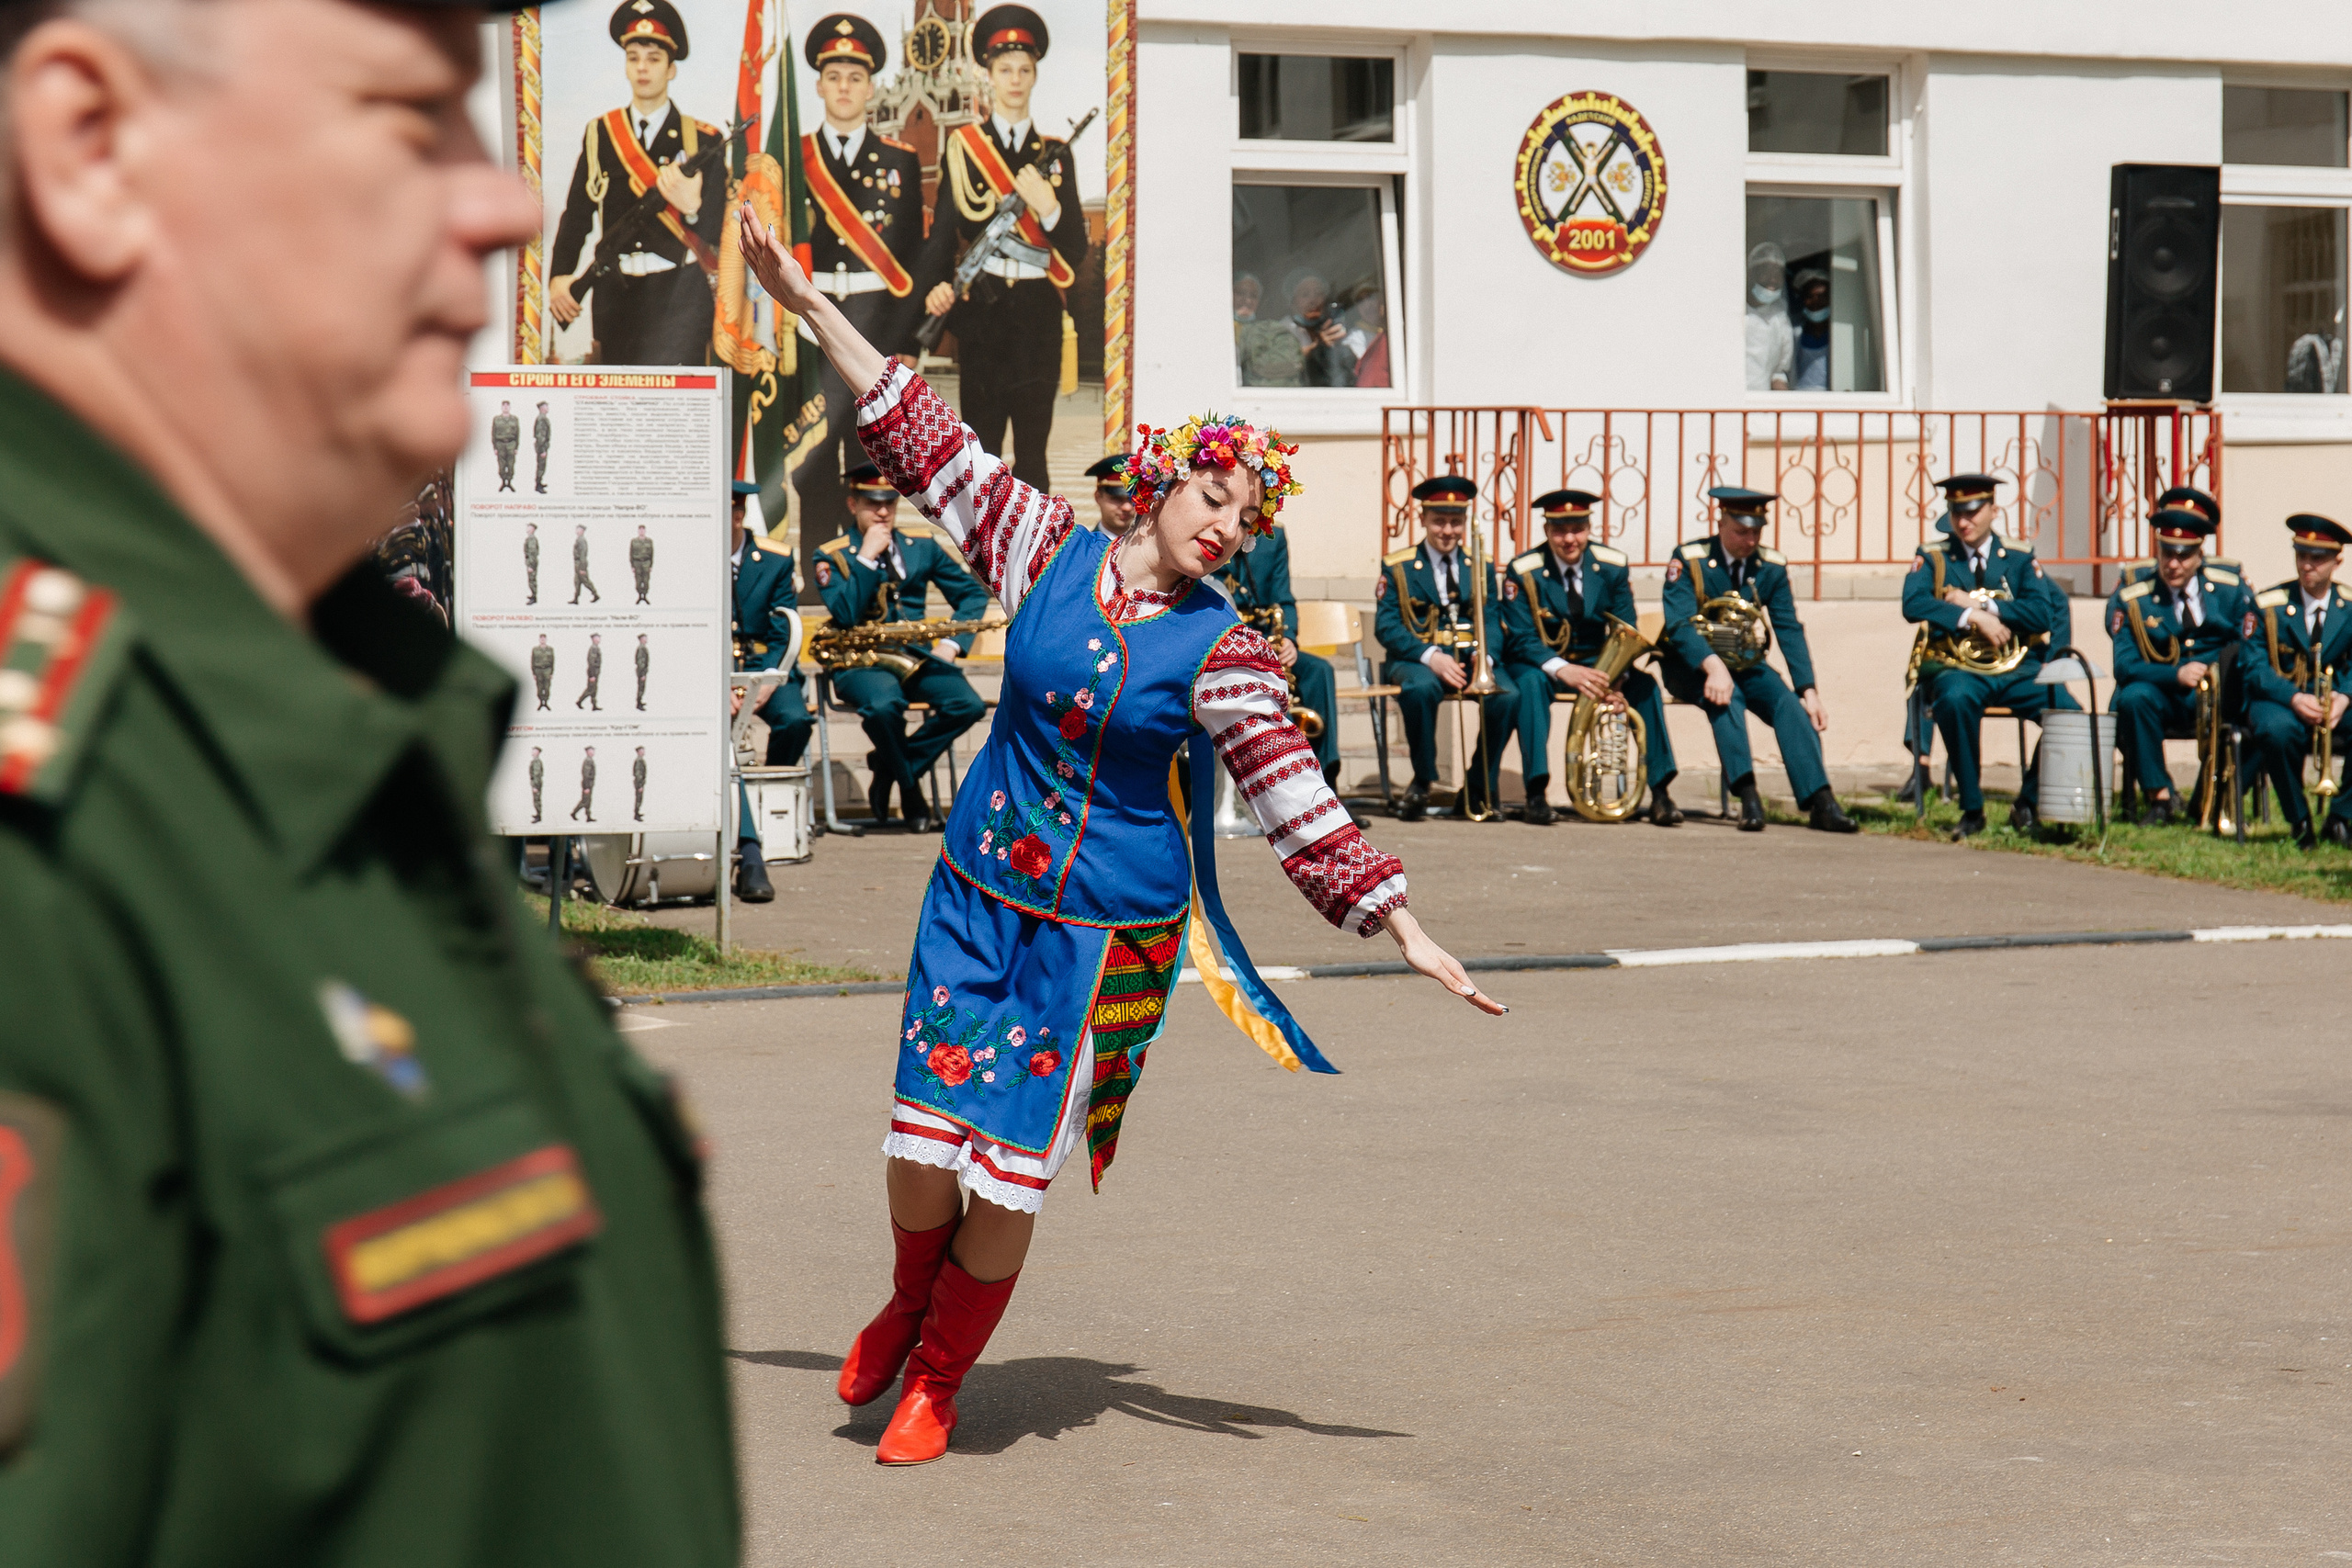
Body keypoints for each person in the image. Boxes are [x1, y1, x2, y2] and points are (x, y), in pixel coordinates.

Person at [0, 2, 738, 1559]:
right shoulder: (50, 842)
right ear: (91, 150)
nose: (504, 202)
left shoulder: (323, 709)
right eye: (413, 118)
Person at [736, 203, 1502, 1467]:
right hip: (978, 891)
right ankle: (904, 1291)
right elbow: (923, 432)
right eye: (1215, 494)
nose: (1226, 525)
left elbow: (1292, 791)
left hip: (1102, 936)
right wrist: (805, 301)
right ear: (1161, 479)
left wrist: (1402, 922)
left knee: (1006, 1168)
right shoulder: (1038, 544)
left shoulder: (1229, 648)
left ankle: (938, 1373)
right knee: (922, 1136)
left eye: (1247, 519)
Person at [919, 5, 1091, 491]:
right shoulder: (964, 146)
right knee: (983, 453)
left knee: (1034, 453)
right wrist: (933, 290)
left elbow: (1075, 248)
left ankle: (1038, 565)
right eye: (1004, 69)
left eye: (1024, 69)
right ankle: (987, 566)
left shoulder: (1056, 151)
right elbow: (944, 233)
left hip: (1038, 314)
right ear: (987, 75)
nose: (1014, 79)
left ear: (1034, 75)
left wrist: (1050, 206)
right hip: (984, 315)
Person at [792, 13, 928, 562]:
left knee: (871, 460)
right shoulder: (790, 157)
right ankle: (816, 580)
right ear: (820, 85)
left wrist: (905, 341)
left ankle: (871, 578)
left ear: (871, 86)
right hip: (809, 327)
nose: (844, 88)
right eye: (834, 77)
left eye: (855, 77)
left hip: (875, 324)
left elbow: (911, 264)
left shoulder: (901, 160)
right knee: (814, 462)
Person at [1657, 487, 1857, 834]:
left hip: (1744, 663)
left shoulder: (1770, 566)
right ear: (1721, 522)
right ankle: (1748, 795)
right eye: (1741, 532)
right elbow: (1679, 625)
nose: (1750, 540)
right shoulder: (1690, 559)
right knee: (1727, 696)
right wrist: (1713, 666)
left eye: (1756, 532)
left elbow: (1788, 628)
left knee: (1788, 704)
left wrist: (1808, 688)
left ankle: (1820, 800)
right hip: (1691, 665)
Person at [547, 0, 724, 366]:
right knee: (617, 406)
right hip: (615, 291)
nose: (643, 67)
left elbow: (722, 229)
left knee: (680, 409)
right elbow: (578, 215)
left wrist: (693, 211)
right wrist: (560, 276)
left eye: (654, 58)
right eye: (634, 57)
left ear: (672, 68)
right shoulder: (602, 134)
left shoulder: (703, 141)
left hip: (679, 291)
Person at [815, 462, 990, 832]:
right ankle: (911, 790)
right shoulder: (831, 555)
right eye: (871, 503)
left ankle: (892, 766)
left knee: (967, 705)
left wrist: (952, 645)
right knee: (883, 706)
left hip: (914, 657)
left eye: (889, 503)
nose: (882, 511)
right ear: (852, 506)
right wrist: (865, 556)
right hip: (858, 661)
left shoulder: (921, 548)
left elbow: (972, 593)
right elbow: (845, 614)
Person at [1899, 476, 2076, 835]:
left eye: (1973, 512)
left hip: (2018, 668)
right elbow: (1913, 603)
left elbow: (2042, 613)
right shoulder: (1933, 556)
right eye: (1956, 513)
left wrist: (1985, 604)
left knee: (2069, 714)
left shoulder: (2019, 556)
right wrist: (1972, 618)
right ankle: (1972, 807)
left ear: (1993, 511)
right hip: (1959, 668)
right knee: (1954, 700)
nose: (1963, 521)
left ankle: (2027, 802)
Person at [1499, 489, 1680, 827]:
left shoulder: (1611, 566)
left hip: (1602, 666)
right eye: (1559, 530)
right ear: (1546, 530)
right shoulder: (1524, 570)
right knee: (1529, 685)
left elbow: (1627, 628)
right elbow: (1521, 637)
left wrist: (1617, 679)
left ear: (1589, 528)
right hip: (1547, 665)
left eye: (1578, 529)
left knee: (1646, 687)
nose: (1569, 539)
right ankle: (1536, 794)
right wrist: (1564, 670)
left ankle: (1661, 793)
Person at [1374, 476, 1518, 821]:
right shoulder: (1398, 565)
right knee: (1420, 688)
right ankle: (1423, 780)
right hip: (1417, 659)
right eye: (1439, 521)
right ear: (1423, 520)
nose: (1448, 530)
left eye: (1456, 522)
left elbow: (1493, 617)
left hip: (1469, 659)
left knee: (1508, 695)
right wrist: (1431, 657)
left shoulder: (1479, 565)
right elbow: (1387, 626)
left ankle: (1479, 784)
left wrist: (1487, 658)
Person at [2105, 508, 2252, 823]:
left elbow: (2250, 644)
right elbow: (2124, 664)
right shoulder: (2135, 599)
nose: (2173, 564)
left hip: (2215, 693)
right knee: (2133, 698)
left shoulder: (2228, 590)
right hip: (2165, 694)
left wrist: (2214, 669)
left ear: (2200, 555)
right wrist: (2176, 674)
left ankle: (2210, 800)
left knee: (2255, 705)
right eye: (2167, 553)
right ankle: (2160, 798)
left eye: (2183, 556)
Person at [2243, 514, 2352, 848]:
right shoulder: (2267, 605)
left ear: (2337, 561)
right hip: (2280, 702)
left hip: (2332, 702)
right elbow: (2253, 665)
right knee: (2276, 731)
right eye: (2301, 556)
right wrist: (2292, 697)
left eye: (2317, 559)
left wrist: (2345, 697)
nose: (2307, 566)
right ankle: (2299, 819)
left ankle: (2340, 817)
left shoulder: (2349, 606)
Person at [1211, 516, 1342, 794]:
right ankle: (1283, 782)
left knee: (1320, 671)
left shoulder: (1274, 537)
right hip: (1223, 643)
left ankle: (1326, 782)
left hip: (1267, 641)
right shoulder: (1211, 531)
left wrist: (1289, 639)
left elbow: (1284, 599)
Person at [730, 479, 801, 904]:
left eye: (739, 509)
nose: (733, 516)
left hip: (764, 669)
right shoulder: (691, 555)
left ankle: (770, 802)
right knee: (720, 741)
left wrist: (765, 685)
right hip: (716, 672)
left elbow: (782, 626)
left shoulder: (774, 558)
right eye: (727, 508)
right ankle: (749, 845)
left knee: (795, 719)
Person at [1283, 272, 1356, 388]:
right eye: (1305, 294)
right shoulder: (1283, 330)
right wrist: (1317, 348)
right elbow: (1282, 365)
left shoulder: (1332, 325)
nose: (1313, 300)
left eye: (1318, 294)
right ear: (1292, 302)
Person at [1744, 242, 1793, 392]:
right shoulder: (1737, 311)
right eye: (1767, 272)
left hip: (1761, 407)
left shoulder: (1780, 319)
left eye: (1778, 273)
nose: (1773, 279)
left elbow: (1778, 374)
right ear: (1752, 273)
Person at [1789, 268, 1831, 392]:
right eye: (1810, 296)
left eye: (1821, 296)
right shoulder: (1795, 334)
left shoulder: (1840, 334)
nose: (1816, 302)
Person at [1086, 453, 1136, 536]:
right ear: (1098, 497)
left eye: (1133, 499)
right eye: (1117, 499)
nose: (1127, 507)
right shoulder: (1085, 548)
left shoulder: (1151, 547)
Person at [492, 398, 520, 489]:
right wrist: (495, 447)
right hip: (500, 444)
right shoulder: (497, 419)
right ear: (501, 407)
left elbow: (518, 434)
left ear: (510, 407)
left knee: (511, 464)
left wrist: (516, 447)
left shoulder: (514, 419)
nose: (505, 408)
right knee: (501, 465)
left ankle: (510, 481)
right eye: (504, 406)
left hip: (511, 444)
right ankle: (503, 482)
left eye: (507, 406)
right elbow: (493, 433)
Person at [571, 522, 600, 603]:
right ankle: (576, 599)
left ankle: (596, 595)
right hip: (577, 563)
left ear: (582, 531)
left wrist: (582, 568)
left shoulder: (582, 540)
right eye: (577, 529)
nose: (577, 531)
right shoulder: (578, 539)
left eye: (579, 529)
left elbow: (583, 554)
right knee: (577, 582)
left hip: (580, 563)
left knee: (585, 581)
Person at [577, 631, 604, 710]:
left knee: (594, 689)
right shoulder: (593, 648)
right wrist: (592, 675)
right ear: (594, 639)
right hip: (593, 672)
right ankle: (579, 701)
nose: (599, 639)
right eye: (597, 638)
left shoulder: (596, 647)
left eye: (599, 638)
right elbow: (591, 662)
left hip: (596, 672)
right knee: (590, 689)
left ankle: (594, 705)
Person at [531, 630, 557, 709]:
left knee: (547, 687)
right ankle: (540, 702)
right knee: (539, 687)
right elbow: (532, 661)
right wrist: (534, 673)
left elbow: (553, 661)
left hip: (547, 670)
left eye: (544, 639)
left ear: (546, 640)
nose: (542, 640)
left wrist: (551, 672)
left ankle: (545, 702)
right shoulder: (535, 649)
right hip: (538, 670)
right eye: (541, 639)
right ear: (539, 640)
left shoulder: (550, 649)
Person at [630, 522, 654, 602]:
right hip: (637, 563)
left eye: (643, 530)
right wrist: (632, 566)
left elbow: (652, 554)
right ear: (638, 531)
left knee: (646, 581)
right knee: (638, 581)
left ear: (645, 531)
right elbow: (631, 554)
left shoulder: (649, 541)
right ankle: (640, 595)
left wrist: (651, 565)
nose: (641, 531)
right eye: (640, 530)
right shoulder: (634, 541)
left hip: (646, 563)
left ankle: (645, 595)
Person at [573, 746, 599, 821]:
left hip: (589, 785)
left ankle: (588, 817)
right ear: (587, 752)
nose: (593, 752)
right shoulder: (588, 761)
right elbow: (586, 775)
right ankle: (574, 813)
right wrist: (586, 787)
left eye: (593, 751)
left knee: (588, 801)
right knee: (585, 801)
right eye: (591, 751)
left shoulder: (590, 760)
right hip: (587, 785)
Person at [534, 399, 552, 491]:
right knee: (541, 466)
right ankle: (538, 486)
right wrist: (543, 450)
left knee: (542, 466)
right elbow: (540, 436)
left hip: (543, 446)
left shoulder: (543, 418)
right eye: (546, 406)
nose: (548, 408)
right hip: (542, 447)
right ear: (541, 408)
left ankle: (539, 482)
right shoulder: (541, 419)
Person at [524, 519, 541, 603]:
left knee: (532, 580)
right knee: (531, 580)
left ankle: (534, 598)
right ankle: (533, 595)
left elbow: (533, 553)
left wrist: (531, 565)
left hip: (532, 562)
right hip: (531, 562)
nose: (527, 528)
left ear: (532, 529)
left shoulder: (531, 539)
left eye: (528, 527)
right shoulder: (530, 538)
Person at [530, 744, 547, 823]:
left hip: (536, 783)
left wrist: (535, 786)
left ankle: (538, 816)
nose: (532, 752)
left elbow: (537, 774)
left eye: (534, 751)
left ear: (537, 752)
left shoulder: (536, 761)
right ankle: (538, 814)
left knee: (537, 800)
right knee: (537, 800)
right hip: (537, 782)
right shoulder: (536, 761)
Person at [635, 631, 651, 710]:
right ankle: (638, 704)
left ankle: (640, 701)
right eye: (645, 638)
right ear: (641, 639)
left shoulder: (643, 647)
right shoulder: (641, 648)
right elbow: (640, 662)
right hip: (642, 672)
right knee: (641, 687)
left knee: (642, 687)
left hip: (642, 671)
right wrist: (642, 674)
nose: (646, 639)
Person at [633, 745, 649, 821]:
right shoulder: (639, 760)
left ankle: (637, 812)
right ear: (639, 751)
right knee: (639, 798)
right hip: (639, 783)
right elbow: (638, 773)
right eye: (642, 750)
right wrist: (640, 785)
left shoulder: (640, 760)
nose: (644, 752)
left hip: (640, 782)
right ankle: (636, 815)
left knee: (639, 798)